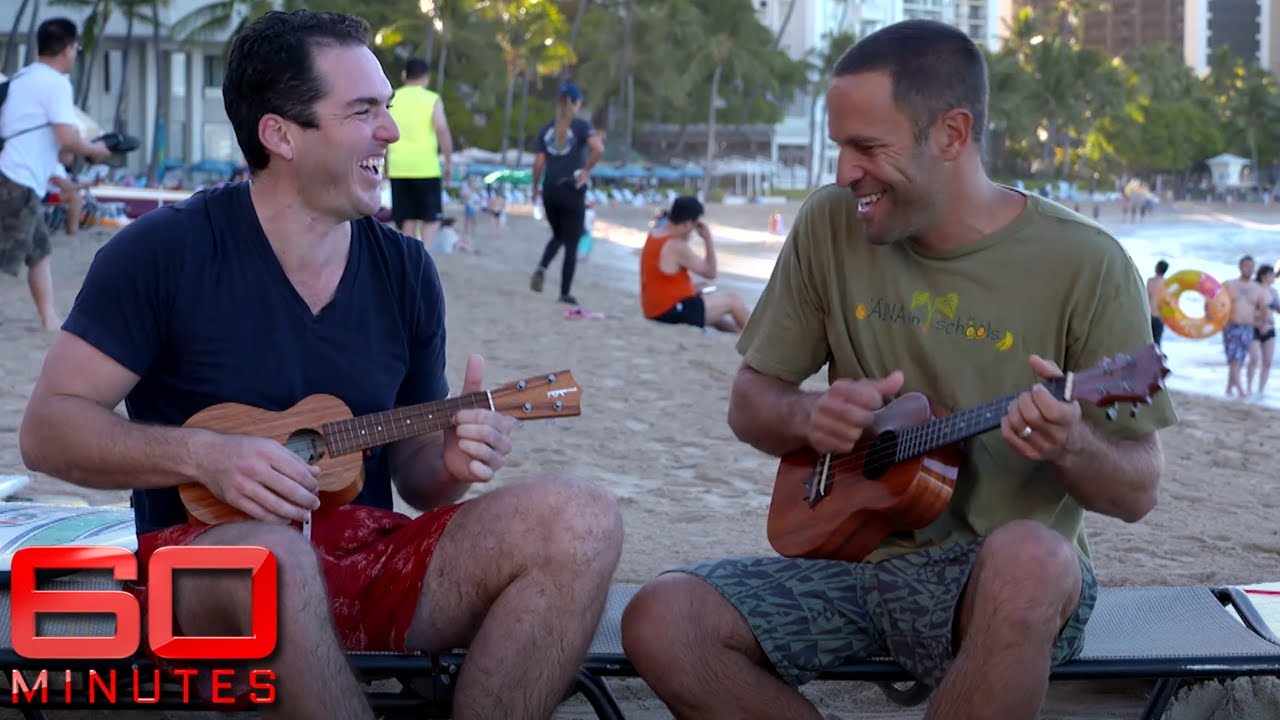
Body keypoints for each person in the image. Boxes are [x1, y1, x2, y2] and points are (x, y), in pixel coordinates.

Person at [18, 11, 622, 719]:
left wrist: (452, 462)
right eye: (364, 111)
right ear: (280, 135)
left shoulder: (405, 270)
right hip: (206, 567)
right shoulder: (161, 254)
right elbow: (48, 430)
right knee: (276, 562)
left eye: (387, 109)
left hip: (363, 555)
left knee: (584, 518)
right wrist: (204, 455)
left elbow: (416, 481)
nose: (392, 132)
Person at [620, 20, 1178, 720]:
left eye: (866, 147)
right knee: (662, 619)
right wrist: (807, 415)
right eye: (840, 146)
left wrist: (1070, 442)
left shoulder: (1087, 264)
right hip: (854, 567)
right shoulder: (830, 224)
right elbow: (749, 403)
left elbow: (1138, 491)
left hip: (1004, 586)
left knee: (1033, 558)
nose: (843, 171)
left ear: (951, 134)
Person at [0, 17, 111, 330]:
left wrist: (64, 180)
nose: (75, 55)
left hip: (17, 177)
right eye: (76, 48)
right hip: (16, 179)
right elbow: (66, 138)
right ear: (67, 48)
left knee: (39, 251)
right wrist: (94, 149)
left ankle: (49, 319)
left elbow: (41, 143)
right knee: (7, 256)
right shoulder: (56, 83)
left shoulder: (22, 78)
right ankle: (49, 318)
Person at [529, 81, 604, 306]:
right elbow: (598, 148)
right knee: (572, 242)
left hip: (550, 190)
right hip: (571, 189)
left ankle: (542, 268)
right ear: (577, 103)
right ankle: (564, 293)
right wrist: (586, 171)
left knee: (558, 235)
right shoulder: (580, 126)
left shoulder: (547, 128)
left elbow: (539, 162)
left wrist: (535, 187)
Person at [639, 195, 750, 333]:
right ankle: (761, 341)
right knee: (733, 301)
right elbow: (711, 272)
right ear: (687, 223)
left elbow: (661, 278)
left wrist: (691, 289)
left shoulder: (655, 235)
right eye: (694, 225)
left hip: (654, 308)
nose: (693, 231)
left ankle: (740, 336)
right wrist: (708, 240)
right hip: (669, 311)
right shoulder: (676, 245)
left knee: (714, 313)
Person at [386, 57, 453, 248]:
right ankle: (423, 253)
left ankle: (409, 255)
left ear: (404, 75)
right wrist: (448, 161)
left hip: (398, 167)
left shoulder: (393, 98)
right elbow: (441, 128)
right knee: (431, 218)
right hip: (425, 168)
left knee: (407, 218)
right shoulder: (431, 99)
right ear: (426, 77)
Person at [1222, 255, 1268, 398]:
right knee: (1234, 359)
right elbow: (1213, 302)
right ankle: (1241, 391)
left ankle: (1229, 390)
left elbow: (1263, 307)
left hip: (1248, 327)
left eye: (1252, 266)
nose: (1249, 269)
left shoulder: (1257, 289)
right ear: (1240, 267)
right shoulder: (1229, 284)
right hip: (1231, 326)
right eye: (1246, 266)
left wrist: (1261, 322)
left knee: (1239, 360)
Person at [1247, 264, 1279, 395]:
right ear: (1264, 276)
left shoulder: (1273, 292)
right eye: (1272, 275)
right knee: (1254, 359)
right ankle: (1248, 388)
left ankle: (1261, 391)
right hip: (1254, 327)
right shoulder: (1253, 289)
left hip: (1269, 328)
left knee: (1267, 362)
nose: (1274, 277)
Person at [1146, 259, 1169, 347]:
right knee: (1157, 341)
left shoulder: (1150, 281)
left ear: (1157, 268)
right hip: (1160, 316)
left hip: (1149, 314)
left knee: (1147, 341)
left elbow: (1146, 297)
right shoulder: (1167, 284)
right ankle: (1157, 359)